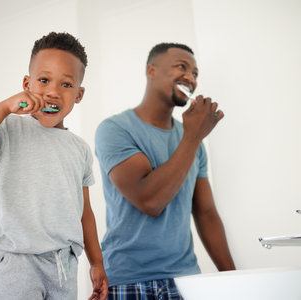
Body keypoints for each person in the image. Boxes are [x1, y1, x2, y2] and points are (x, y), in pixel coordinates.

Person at [0, 32, 108, 300]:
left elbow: (85, 213)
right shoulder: (9, 129)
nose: (53, 92)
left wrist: (97, 263)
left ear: (79, 95)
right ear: (27, 83)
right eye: (44, 80)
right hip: (16, 261)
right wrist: (2, 108)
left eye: (66, 85)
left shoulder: (79, 148)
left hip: (63, 265)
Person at [95, 42, 235, 299]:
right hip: (128, 280)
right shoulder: (114, 130)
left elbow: (205, 212)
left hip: (186, 280)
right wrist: (193, 137)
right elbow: (149, 200)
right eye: (181, 67)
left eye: (195, 74)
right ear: (151, 71)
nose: (190, 78)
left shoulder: (193, 140)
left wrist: (234, 279)